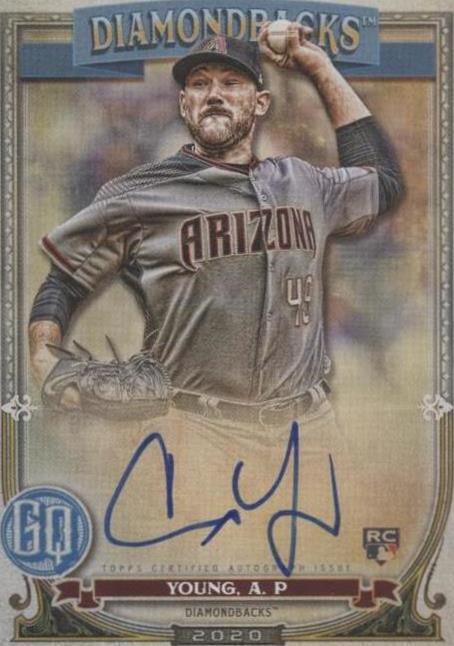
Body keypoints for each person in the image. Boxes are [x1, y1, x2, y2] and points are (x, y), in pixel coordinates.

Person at [29, 23, 404, 424]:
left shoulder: (304, 182)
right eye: (199, 84)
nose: (213, 94)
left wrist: (319, 67)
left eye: (231, 82)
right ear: (184, 103)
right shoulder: (138, 193)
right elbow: (65, 280)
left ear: (260, 103)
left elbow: (382, 182)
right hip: (202, 427)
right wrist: (43, 355)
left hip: (309, 424)